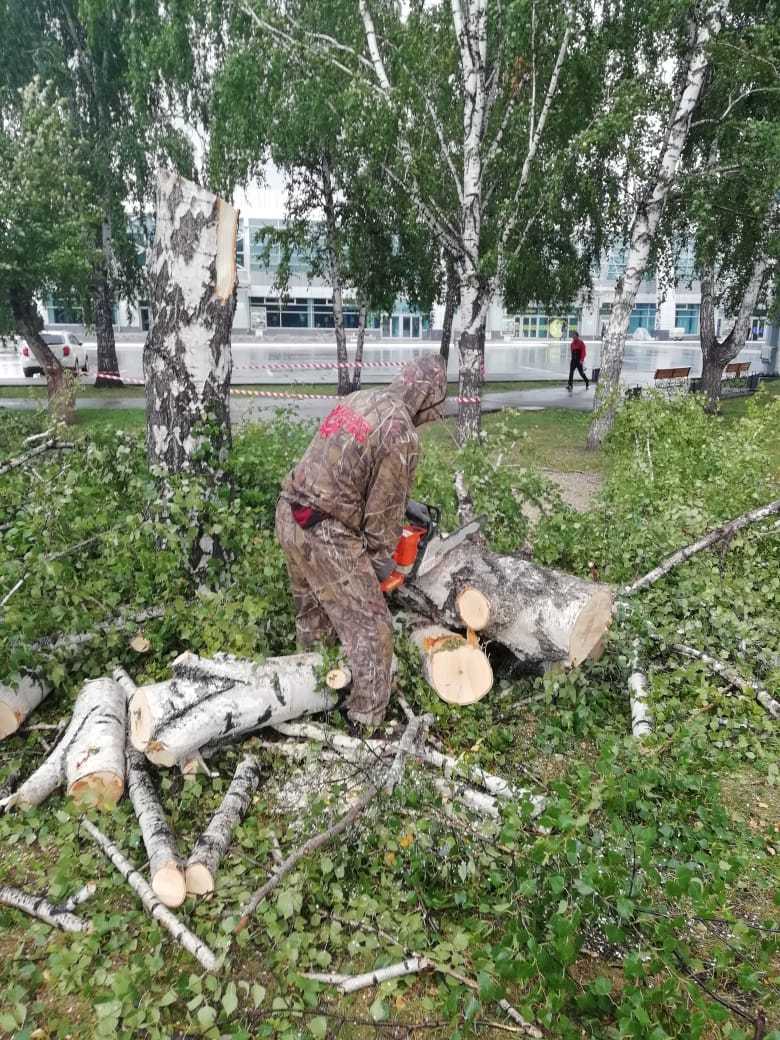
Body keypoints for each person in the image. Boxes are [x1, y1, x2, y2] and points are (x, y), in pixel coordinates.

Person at [275, 355, 448, 733]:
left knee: (314, 615)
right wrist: (380, 563)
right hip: (325, 534)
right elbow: (382, 516)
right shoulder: (401, 431)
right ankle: (364, 723)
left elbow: (348, 468)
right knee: (373, 628)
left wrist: (406, 502)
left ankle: (312, 695)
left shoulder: (360, 399)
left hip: (290, 513)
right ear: (427, 397)